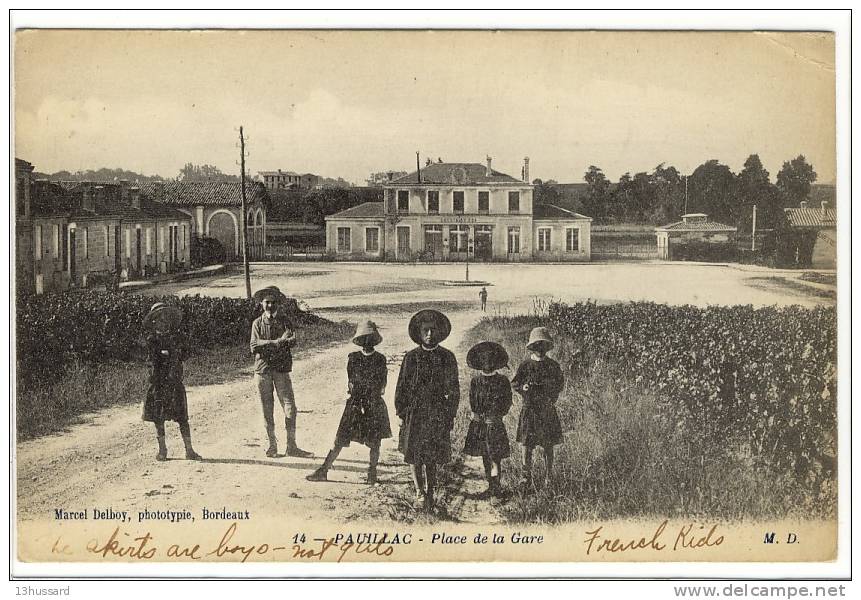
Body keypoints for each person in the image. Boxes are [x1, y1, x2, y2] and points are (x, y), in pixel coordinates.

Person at [306, 320, 391, 484]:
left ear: (375, 340)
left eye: (370, 338)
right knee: (340, 439)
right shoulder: (353, 358)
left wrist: (369, 395)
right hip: (355, 404)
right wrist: (358, 394)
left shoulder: (380, 359)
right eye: (363, 338)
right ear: (359, 341)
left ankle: (372, 474)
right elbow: (351, 382)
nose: (367, 342)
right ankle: (324, 470)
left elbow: (382, 385)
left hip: (373, 404)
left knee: (375, 441)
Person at [395, 309, 460, 512]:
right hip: (415, 414)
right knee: (414, 454)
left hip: (437, 413)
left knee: (431, 456)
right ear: (419, 333)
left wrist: (449, 415)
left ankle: (431, 491)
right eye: (426, 330)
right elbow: (401, 387)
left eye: (433, 330)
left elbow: (454, 390)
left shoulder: (447, 357)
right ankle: (419, 492)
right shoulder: (411, 358)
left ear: (439, 332)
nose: (429, 334)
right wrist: (402, 413)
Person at [249, 285, 313, 459]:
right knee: (267, 409)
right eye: (267, 302)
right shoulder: (257, 323)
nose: (270, 306)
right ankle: (272, 446)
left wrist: (268, 343)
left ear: (278, 304)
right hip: (262, 371)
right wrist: (278, 342)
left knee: (290, 406)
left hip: (281, 370)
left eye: (273, 302)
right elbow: (254, 346)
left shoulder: (285, 321)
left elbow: (292, 340)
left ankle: (291, 445)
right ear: (261, 304)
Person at [142, 302, 202, 462]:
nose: (164, 321)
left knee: (182, 417)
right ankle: (162, 450)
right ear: (154, 321)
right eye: (160, 318)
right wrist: (164, 356)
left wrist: (173, 353)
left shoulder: (176, 337)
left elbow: (185, 353)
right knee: (158, 418)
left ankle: (189, 449)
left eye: (166, 317)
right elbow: (151, 360)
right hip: (159, 383)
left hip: (174, 382)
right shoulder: (151, 340)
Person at [511, 327, 564, 488]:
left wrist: (550, 393)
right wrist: (524, 388)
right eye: (537, 345)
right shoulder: (525, 365)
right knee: (527, 444)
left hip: (546, 410)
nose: (540, 349)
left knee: (548, 444)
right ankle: (526, 476)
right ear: (532, 347)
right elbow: (515, 383)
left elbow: (560, 384)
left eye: (543, 345)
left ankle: (549, 475)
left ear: (547, 347)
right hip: (529, 410)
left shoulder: (553, 365)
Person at [463, 341, 512, 500]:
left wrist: (496, 416)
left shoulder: (502, 381)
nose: (488, 363)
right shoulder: (475, 381)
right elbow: (472, 402)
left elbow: (506, 402)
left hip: (495, 424)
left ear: (496, 362)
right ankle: (490, 485)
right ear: (479, 362)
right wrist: (478, 416)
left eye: (491, 360)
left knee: (495, 456)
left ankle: (497, 487)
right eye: (484, 360)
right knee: (485, 455)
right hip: (480, 424)